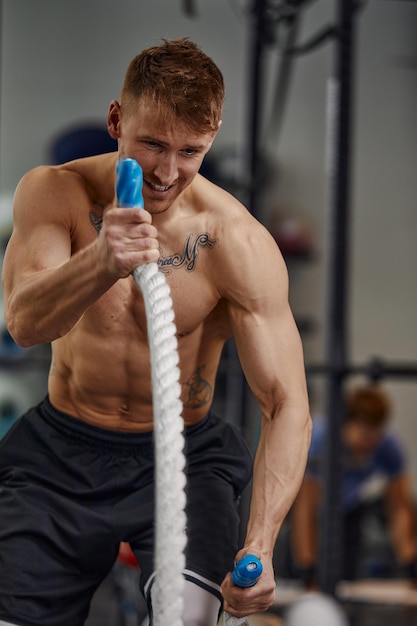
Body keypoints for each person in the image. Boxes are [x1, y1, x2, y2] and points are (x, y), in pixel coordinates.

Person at [0, 38, 311, 626]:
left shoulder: (235, 241)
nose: (168, 172)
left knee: (187, 618)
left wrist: (263, 543)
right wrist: (101, 261)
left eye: (191, 151)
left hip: (186, 455)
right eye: (152, 144)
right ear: (117, 120)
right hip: (61, 450)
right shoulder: (54, 193)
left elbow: (286, 402)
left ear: (213, 135)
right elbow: (23, 324)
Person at [290, 383, 417, 587]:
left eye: (377, 432)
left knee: (345, 581)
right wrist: (308, 568)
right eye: (365, 433)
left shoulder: (388, 446)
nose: (371, 441)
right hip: (315, 510)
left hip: (349, 509)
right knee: (307, 581)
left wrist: (409, 562)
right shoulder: (321, 439)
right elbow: (306, 509)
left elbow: (399, 507)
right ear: (346, 424)